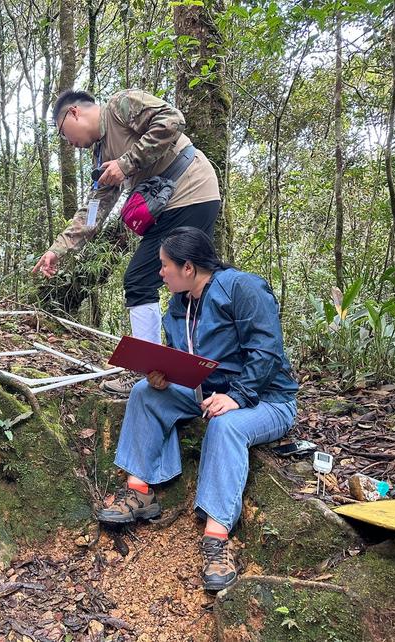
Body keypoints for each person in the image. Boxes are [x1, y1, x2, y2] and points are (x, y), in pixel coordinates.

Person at [96, 227, 298, 592]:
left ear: (187, 267)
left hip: (268, 400)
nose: (160, 273)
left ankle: (217, 539)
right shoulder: (179, 302)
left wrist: (238, 395)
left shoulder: (243, 288)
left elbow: (267, 350)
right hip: (205, 391)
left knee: (225, 426)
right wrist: (163, 375)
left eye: (164, 266)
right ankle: (140, 491)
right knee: (144, 393)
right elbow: (183, 359)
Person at [33, 89, 221, 395]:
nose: (68, 143)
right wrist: (58, 250)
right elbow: (94, 212)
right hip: (179, 204)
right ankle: (193, 373)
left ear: (74, 114)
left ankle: (145, 371)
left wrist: (126, 163)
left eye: (63, 134)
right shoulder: (101, 156)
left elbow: (172, 120)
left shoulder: (121, 106)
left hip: (190, 191)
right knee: (189, 287)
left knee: (139, 280)